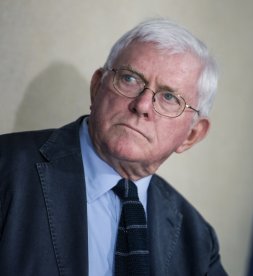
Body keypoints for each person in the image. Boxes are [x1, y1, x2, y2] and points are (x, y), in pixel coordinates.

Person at [0, 18, 227, 275]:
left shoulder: (198, 241)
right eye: (130, 79)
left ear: (192, 135)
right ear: (97, 87)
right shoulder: (6, 169)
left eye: (168, 97)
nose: (142, 106)